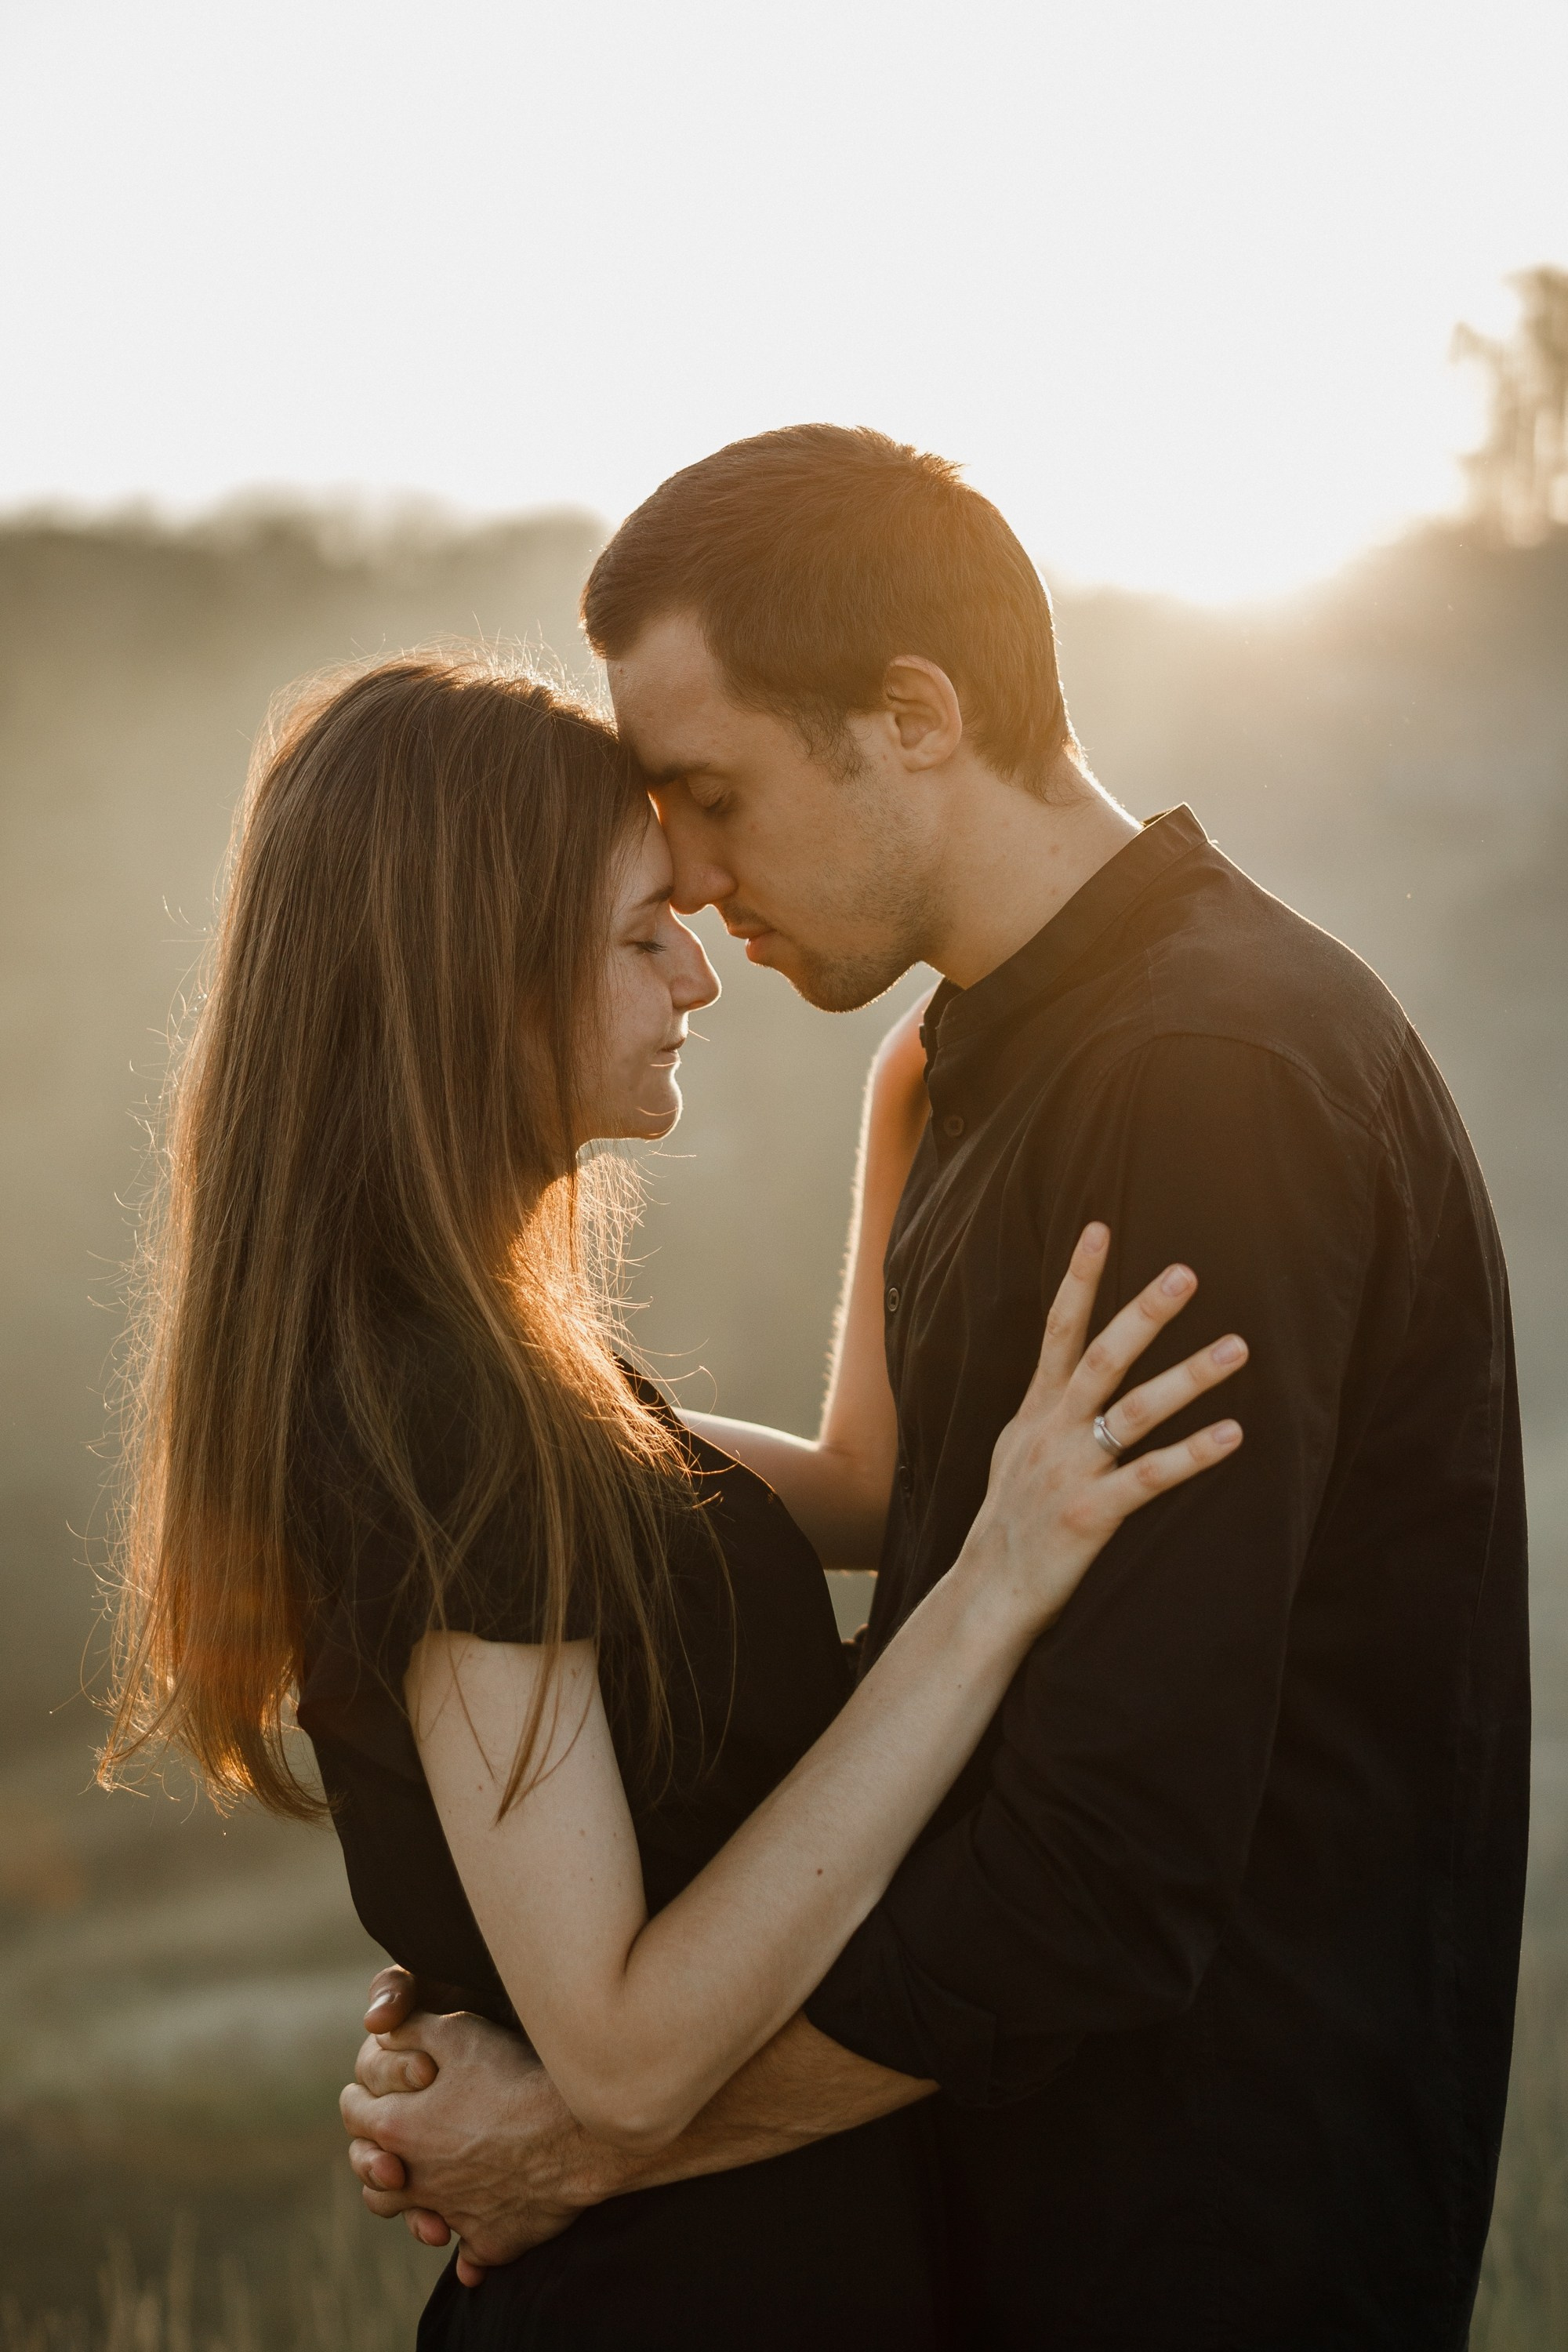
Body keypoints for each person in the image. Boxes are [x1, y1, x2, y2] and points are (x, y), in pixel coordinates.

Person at [345, 428, 1530, 2351]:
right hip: (997, 2213)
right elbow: (891, 1522)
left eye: (712, 794)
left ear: (912, 715)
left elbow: (1102, 1866)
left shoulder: (1208, 1081)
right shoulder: (996, 1052)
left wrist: (596, 2135)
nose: (688, 872)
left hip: (1201, 2235)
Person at [98, 650, 1247, 2350]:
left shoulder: (506, 1383)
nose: (698, 974)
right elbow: (624, 2057)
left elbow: (856, 1489)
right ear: (474, 984)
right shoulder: (451, 1428)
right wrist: (991, 1590)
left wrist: (923, 1075)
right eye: (643, 937)